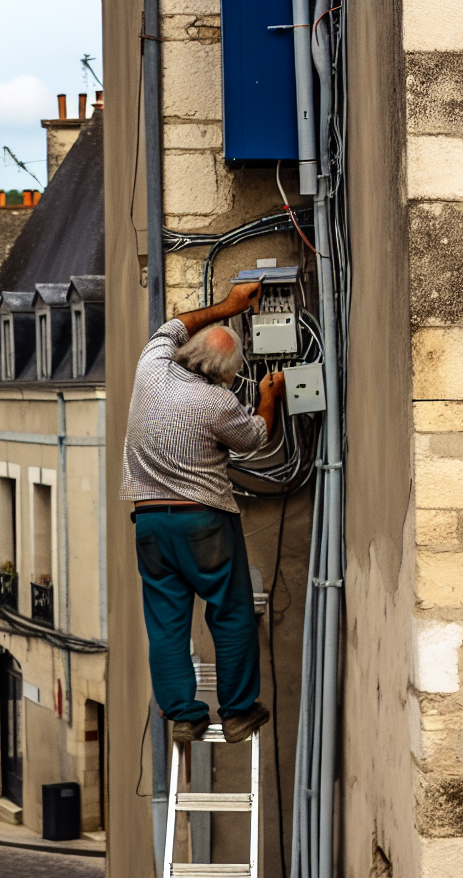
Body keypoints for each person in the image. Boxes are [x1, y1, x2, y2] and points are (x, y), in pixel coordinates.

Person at [119, 282, 286, 743]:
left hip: (150, 522)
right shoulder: (218, 401)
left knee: (167, 623)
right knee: (230, 614)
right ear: (227, 373)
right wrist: (269, 397)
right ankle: (236, 712)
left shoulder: (150, 367)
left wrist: (228, 307)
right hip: (204, 520)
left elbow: (173, 326)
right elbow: (255, 439)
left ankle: (185, 717)